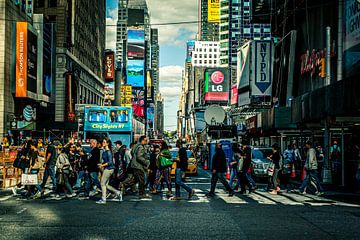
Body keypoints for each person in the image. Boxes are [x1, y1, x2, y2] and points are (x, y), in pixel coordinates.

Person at [96, 138, 122, 204]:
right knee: (106, 185)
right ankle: (118, 192)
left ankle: (103, 199)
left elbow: (110, 162)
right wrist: (101, 164)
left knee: (102, 183)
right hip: (108, 168)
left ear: (108, 143)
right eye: (103, 142)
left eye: (104, 142)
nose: (103, 143)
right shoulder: (105, 151)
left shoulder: (108, 152)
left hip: (109, 169)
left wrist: (102, 165)